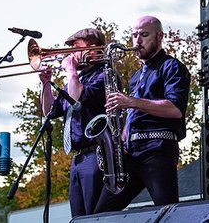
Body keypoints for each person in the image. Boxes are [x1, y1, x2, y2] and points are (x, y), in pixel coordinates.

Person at [94, 15, 191, 212]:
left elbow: (175, 109)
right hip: (131, 154)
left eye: (144, 35)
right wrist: (119, 143)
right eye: (134, 35)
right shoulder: (136, 76)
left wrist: (130, 101)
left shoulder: (171, 66)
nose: (137, 41)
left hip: (157, 151)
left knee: (168, 212)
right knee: (101, 214)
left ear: (159, 36)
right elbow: (133, 115)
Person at [39, 28, 107, 217]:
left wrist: (70, 70)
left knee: (94, 217)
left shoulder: (104, 75)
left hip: (95, 155)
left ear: (93, 49)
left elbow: (77, 97)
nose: (71, 54)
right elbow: (50, 111)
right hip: (77, 158)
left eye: (76, 48)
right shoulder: (76, 79)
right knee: (77, 217)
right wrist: (46, 83)